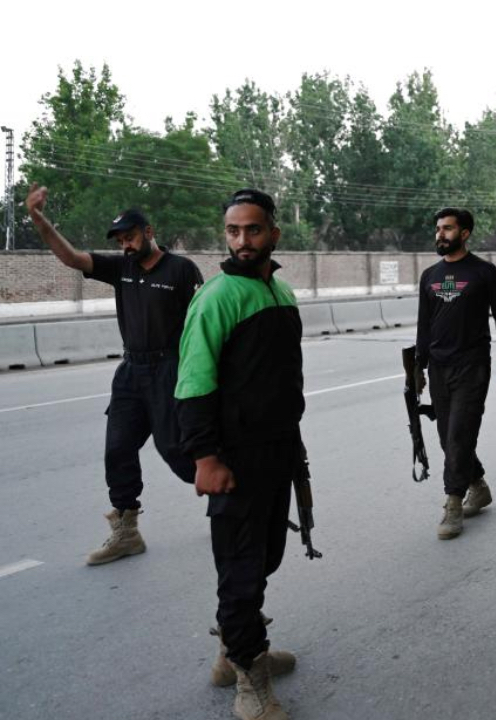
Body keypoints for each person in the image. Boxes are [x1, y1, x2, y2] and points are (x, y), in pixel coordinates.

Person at [175, 189, 304, 719]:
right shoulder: (217, 297)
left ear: (274, 233)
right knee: (241, 567)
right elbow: (193, 384)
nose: (242, 240)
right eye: (233, 231)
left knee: (265, 557)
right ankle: (250, 682)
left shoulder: (281, 291)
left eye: (253, 229)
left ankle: (233, 652)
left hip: (278, 450)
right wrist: (205, 458)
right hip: (237, 459)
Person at [25, 184, 203, 566]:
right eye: (121, 240)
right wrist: (38, 220)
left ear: (149, 232)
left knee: (175, 452)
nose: (126, 245)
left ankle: (227, 490)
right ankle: (127, 531)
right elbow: (71, 257)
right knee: (118, 449)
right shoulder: (121, 268)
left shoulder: (181, 270)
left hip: (169, 369)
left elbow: (203, 325)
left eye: (131, 237)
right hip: (131, 372)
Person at [415, 208, 496, 540]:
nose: (440, 234)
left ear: (465, 233)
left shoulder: (484, 272)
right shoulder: (429, 276)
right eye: (438, 229)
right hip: (438, 367)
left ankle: (453, 503)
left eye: (447, 228)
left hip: (472, 366)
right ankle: (478, 485)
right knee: (447, 437)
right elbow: (424, 326)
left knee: (459, 434)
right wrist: (418, 368)